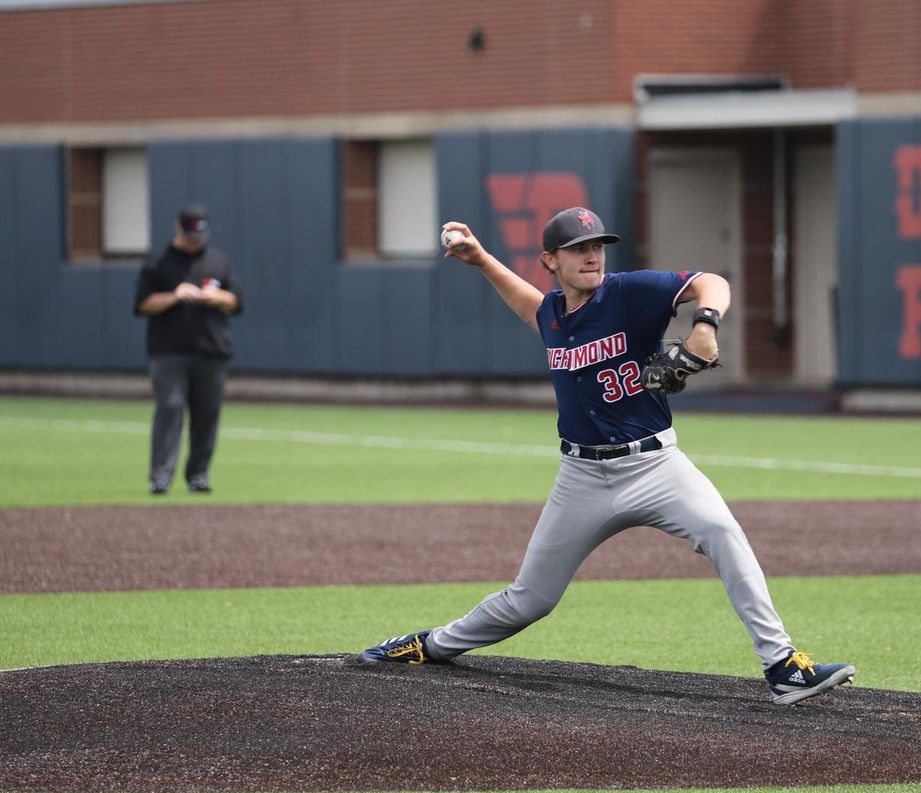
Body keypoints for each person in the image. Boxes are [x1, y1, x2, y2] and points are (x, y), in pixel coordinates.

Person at [356, 207, 854, 704]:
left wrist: (705, 324)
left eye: (597, 246)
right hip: (581, 478)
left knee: (723, 532)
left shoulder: (629, 292)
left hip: (656, 466)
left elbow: (713, 282)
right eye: (578, 249)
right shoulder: (553, 314)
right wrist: (482, 258)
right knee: (530, 599)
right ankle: (431, 646)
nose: (592, 255)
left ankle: (782, 665)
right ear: (550, 260)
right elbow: (531, 306)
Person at [134, 202, 243, 495]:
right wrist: (175, 295)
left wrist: (217, 297)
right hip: (169, 351)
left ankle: (198, 475)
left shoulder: (218, 260)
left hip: (211, 350)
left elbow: (236, 301)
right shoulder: (158, 261)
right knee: (170, 408)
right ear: (178, 229)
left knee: (206, 415)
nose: (196, 241)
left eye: (200, 236)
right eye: (191, 235)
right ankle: (161, 477)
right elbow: (143, 303)